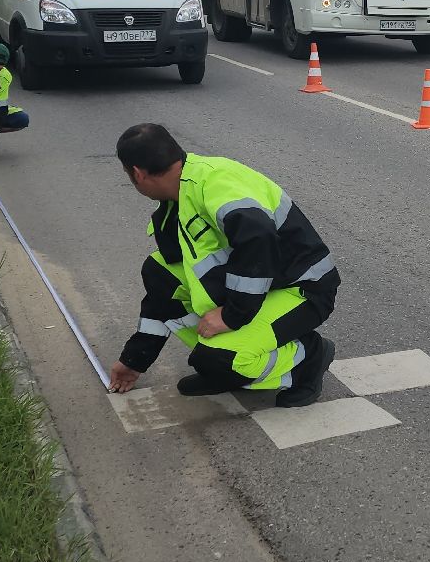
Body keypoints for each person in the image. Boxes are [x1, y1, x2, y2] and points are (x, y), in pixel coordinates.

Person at [106, 123, 339, 407]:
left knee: (221, 360)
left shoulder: (213, 183)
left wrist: (232, 316)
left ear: (137, 173)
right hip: (268, 285)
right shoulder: (180, 193)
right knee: (160, 273)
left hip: (303, 290)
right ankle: (222, 362)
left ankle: (307, 358)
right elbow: (163, 295)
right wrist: (135, 360)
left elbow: (258, 235)